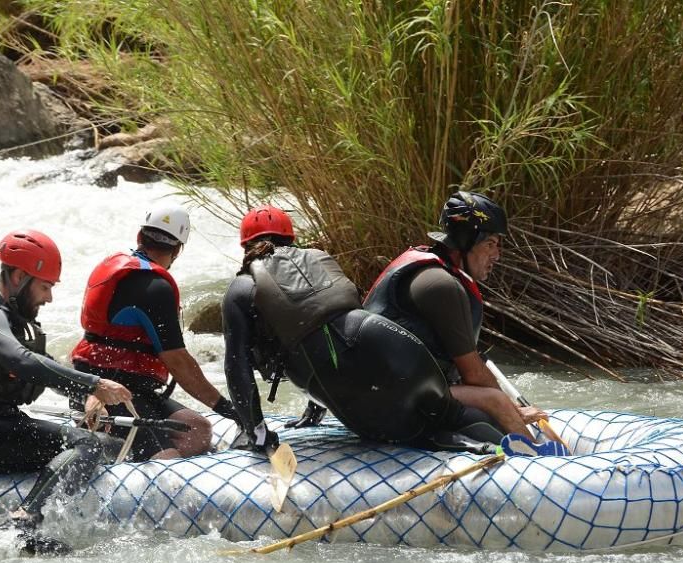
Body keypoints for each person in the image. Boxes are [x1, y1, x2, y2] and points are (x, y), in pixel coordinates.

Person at [222, 205, 506, 452]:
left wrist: (257, 432)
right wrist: (315, 405)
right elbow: (329, 326)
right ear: (291, 238)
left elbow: (237, 365)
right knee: (448, 415)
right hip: (392, 348)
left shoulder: (242, 286)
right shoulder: (318, 260)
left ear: (245, 246)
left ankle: (470, 446)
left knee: (407, 430)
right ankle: (518, 449)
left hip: (348, 372)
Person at [0, 229, 133, 555]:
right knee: (87, 444)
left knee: (109, 444)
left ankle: (38, 529)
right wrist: (94, 384)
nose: (49, 297)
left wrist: (88, 400)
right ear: (19, 276)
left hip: (0, 425)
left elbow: (46, 370)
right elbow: (20, 361)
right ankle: (26, 519)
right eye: (45, 286)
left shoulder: (14, 321)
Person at [363, 191, 546, 439]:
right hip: (389, 398)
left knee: (492, 403)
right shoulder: (441, 284)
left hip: (387, 390)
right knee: (495, 402)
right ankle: (539, 463)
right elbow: (472, 372)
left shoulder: (431, 270)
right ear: (465, 241)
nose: (497, 255)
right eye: (490, 244)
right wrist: (514, 410)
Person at [71, 205, 238, 458]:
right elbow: (178, 363)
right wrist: (229, 410)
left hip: (125, 387)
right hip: (104, 392)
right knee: (167, 457)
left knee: (199, 430)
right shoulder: (155, 288)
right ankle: (126, 456)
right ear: (178, 250)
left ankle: (129, 453)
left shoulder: (114, 266)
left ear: (140, 237)